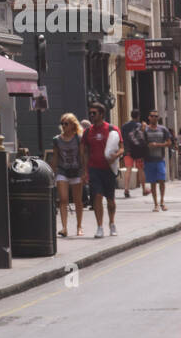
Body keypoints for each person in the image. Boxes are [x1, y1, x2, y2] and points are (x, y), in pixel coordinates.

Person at [81, 102, 120, 238]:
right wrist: (85, 171)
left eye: (94, 113)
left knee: (110, 200)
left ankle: (112, 223)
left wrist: (116, 155)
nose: (91, 115)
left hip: (108, 169)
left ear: (102, 114)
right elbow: (85, 152)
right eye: (90, 113)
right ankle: (99, 227)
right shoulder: (87, 132)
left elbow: (122, 147)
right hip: (94, 169)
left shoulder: (111, 129)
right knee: (97, 197)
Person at [49, 113, 84, 237]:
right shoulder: (57, 140)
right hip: (62, 170)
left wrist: (84, 172)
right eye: (62, 123)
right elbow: (55, 157)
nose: (63, 126)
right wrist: (52, 172)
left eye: (66, 124)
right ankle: (64, 228)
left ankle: (79, 226)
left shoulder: (78, 138)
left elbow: (82, 155)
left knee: (77, 201)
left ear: (73, 125)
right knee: (63, 199)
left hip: (76, 171)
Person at [142, 110, 172, 212]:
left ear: (158, 118)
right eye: (152, 116)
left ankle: (162, 201)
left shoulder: (163, 129)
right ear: (149, 117)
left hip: (160, 160)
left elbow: (169, 142)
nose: (154, 118)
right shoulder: (145, 129)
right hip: (149, 160)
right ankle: (155, 204)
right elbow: (141, 142)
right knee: (152, 183)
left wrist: (158, 145)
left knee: (162, 181)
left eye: (156, 116)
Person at [121, 108, 146, 198]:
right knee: (140, 169)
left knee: (128, 169)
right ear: (138, 116)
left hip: (128, 150)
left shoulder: (124, 126)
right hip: (138, 151)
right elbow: (143, 138)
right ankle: (144, 189)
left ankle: (126, 189)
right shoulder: (141, 126)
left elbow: (122, 138)